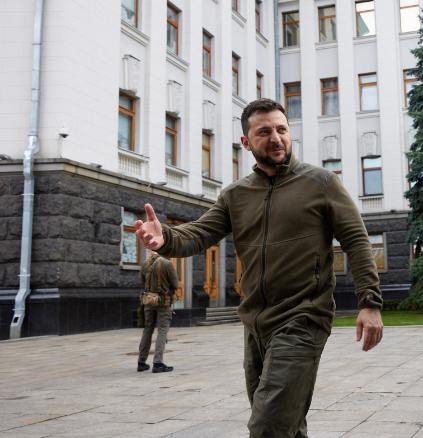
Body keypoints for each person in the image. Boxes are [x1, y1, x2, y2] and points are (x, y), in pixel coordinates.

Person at [134, 98, 383, 438]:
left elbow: (356, 240)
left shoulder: (321, 183)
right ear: (246, 142)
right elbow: (202, 232)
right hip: (255, 325)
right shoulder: (235, 195)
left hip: (303, 318)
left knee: (267, 426)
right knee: (286, 425)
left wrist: (370, 302)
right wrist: (166, 238)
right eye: (264, 132)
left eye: (282, 129)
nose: (276, 138)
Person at [137, 250, 178, 373]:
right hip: (163, 302)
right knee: (162, 330)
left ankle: (141, 362)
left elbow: (142, 281)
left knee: (147, 329)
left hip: (148, 300)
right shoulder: (167, 264)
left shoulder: (145, 264)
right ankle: (158, 363)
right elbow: (175, 284)